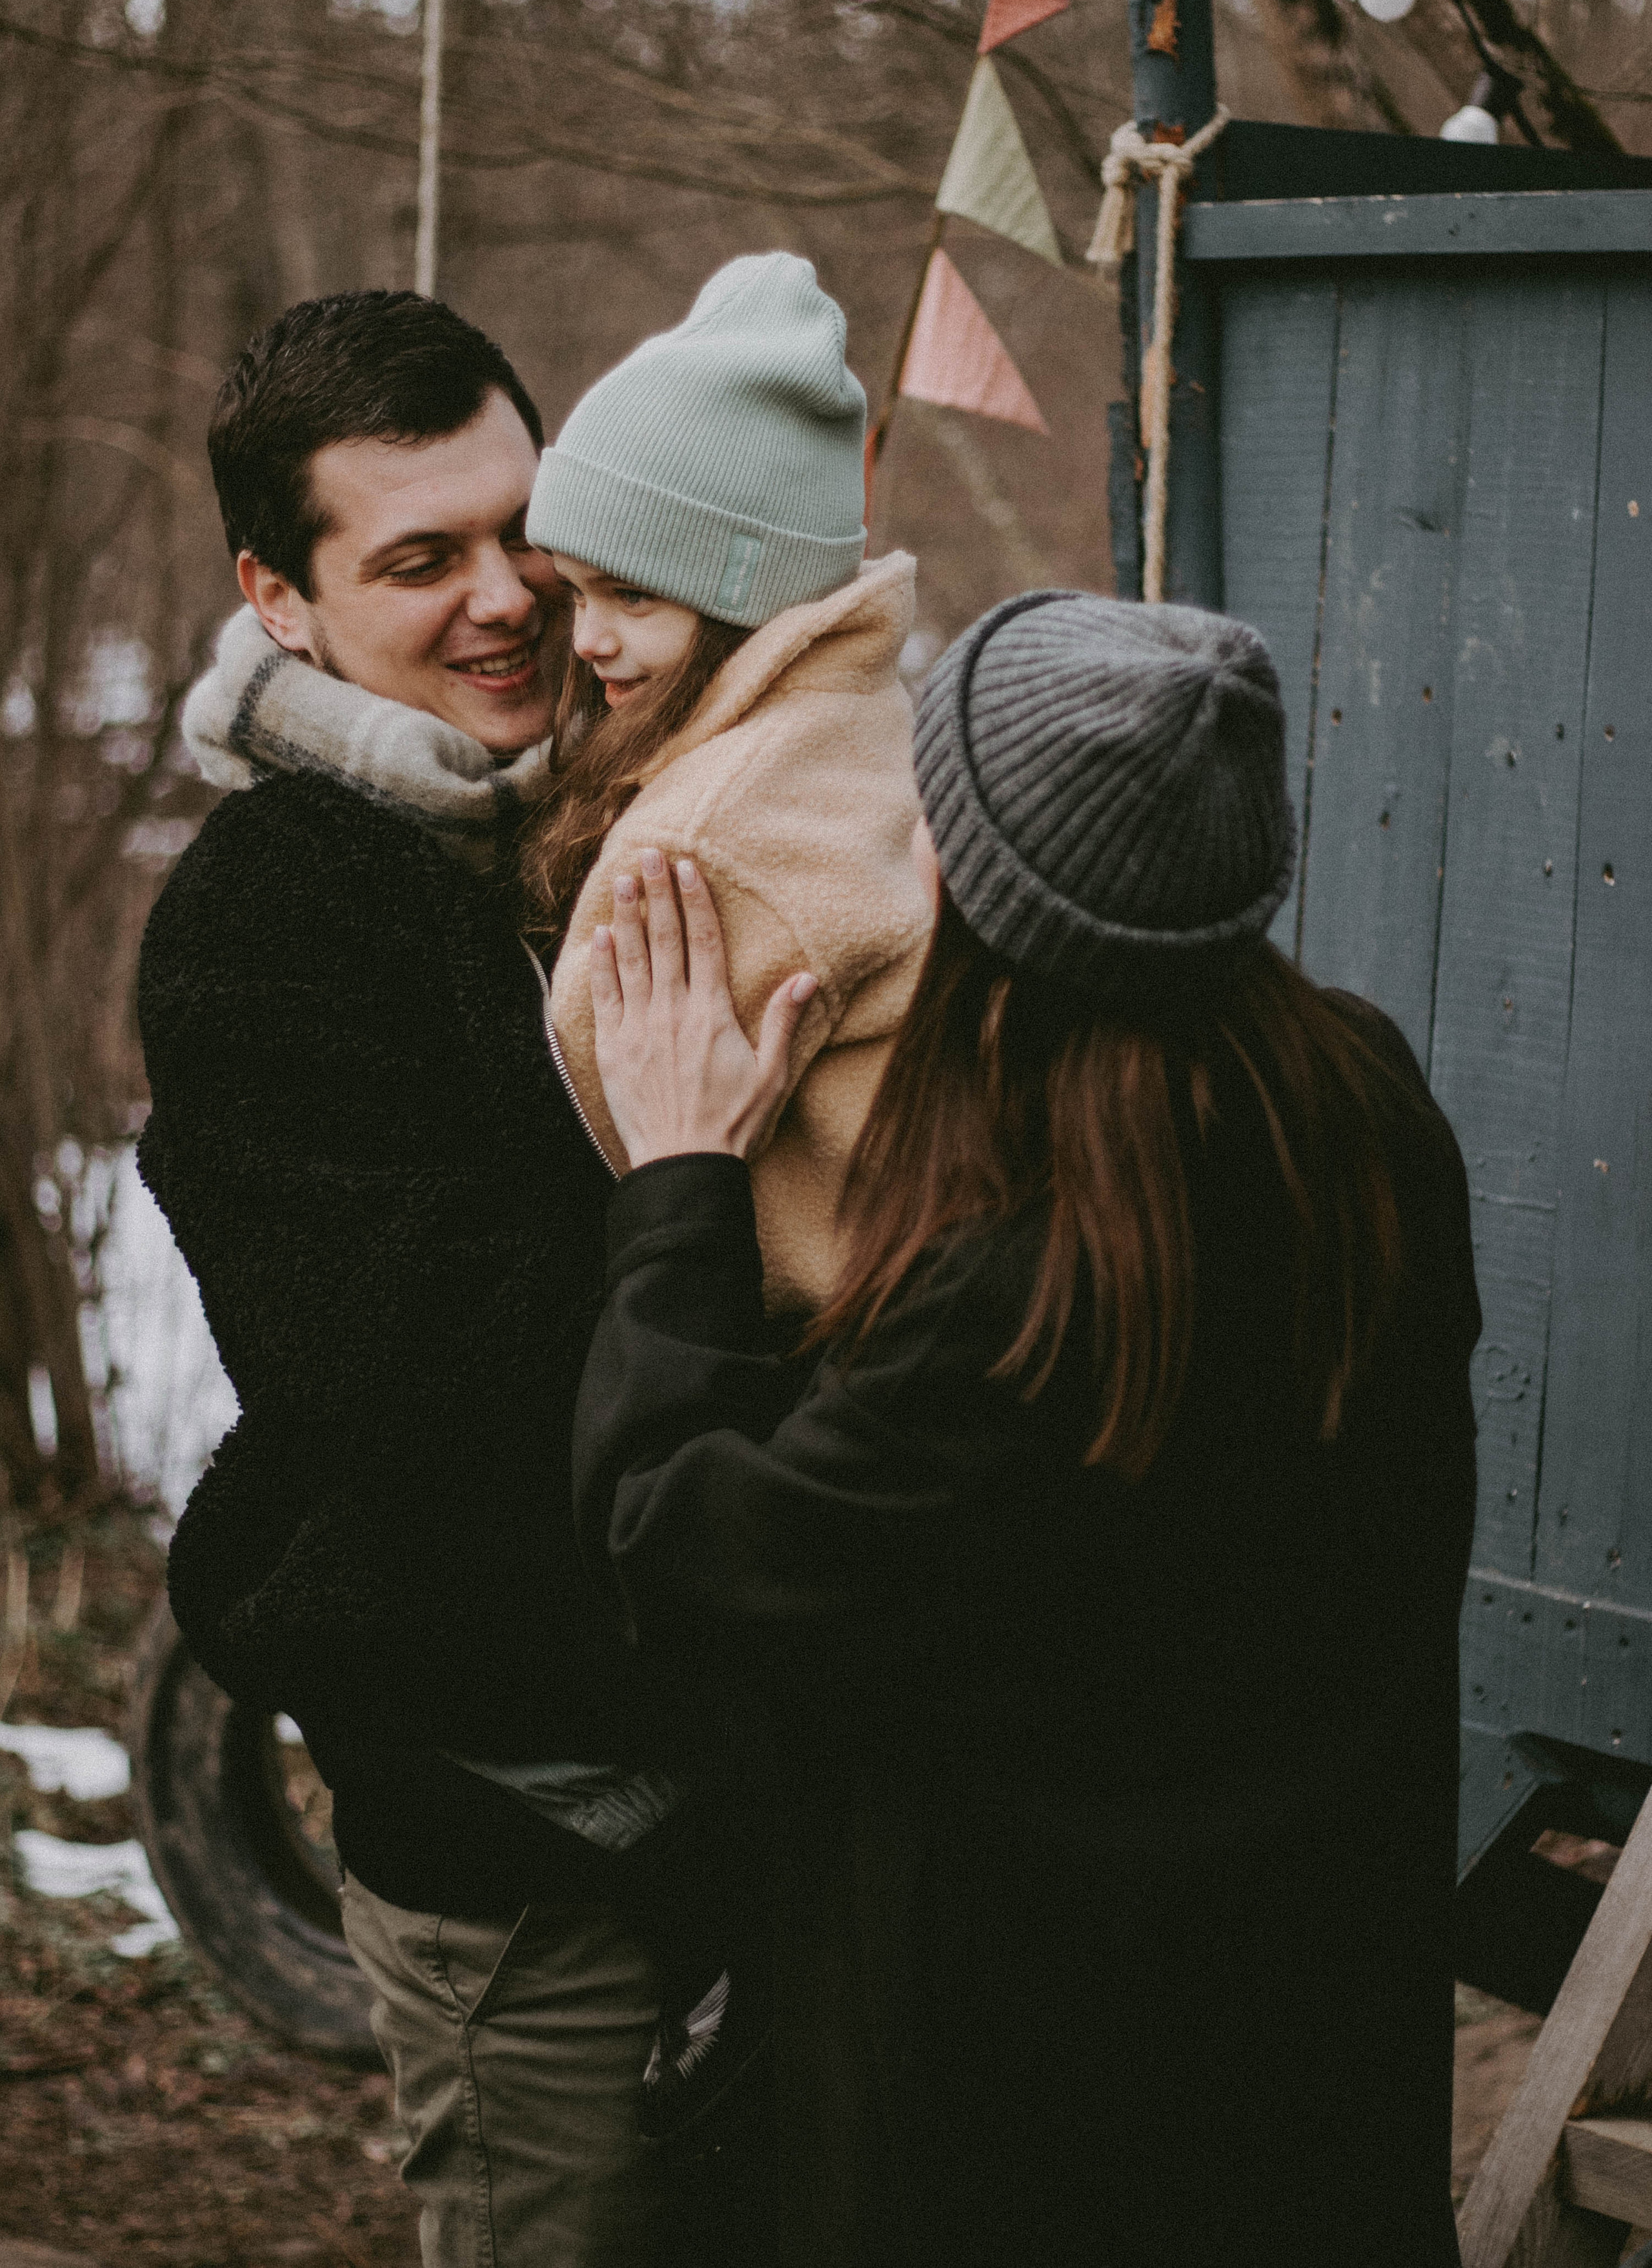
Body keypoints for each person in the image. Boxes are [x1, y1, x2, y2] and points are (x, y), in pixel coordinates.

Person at [569, 589, 1481, 2268]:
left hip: (1047, 2133)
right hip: (1309, 2077)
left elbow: (690, 1549)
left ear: (964, 890)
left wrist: (682, 1183)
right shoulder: (1363, 1108)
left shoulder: (1028, 1293)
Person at [137, 289, 683, 2268]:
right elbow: (421, 1386)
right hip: (528, 1841)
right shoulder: (280, 919)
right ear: (281, 601)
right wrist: (697, 1185)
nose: (506, 599)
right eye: (419, 560)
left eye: (522, 528)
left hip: (725, 1800)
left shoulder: (580, 809)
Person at [519, 250, 933, 1317]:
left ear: (745, 593)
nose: (589, 640)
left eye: (633, 597)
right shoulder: (861, 716)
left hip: (808, 1348)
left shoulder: (699, 844)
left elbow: (589, 1140)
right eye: (573, 591)